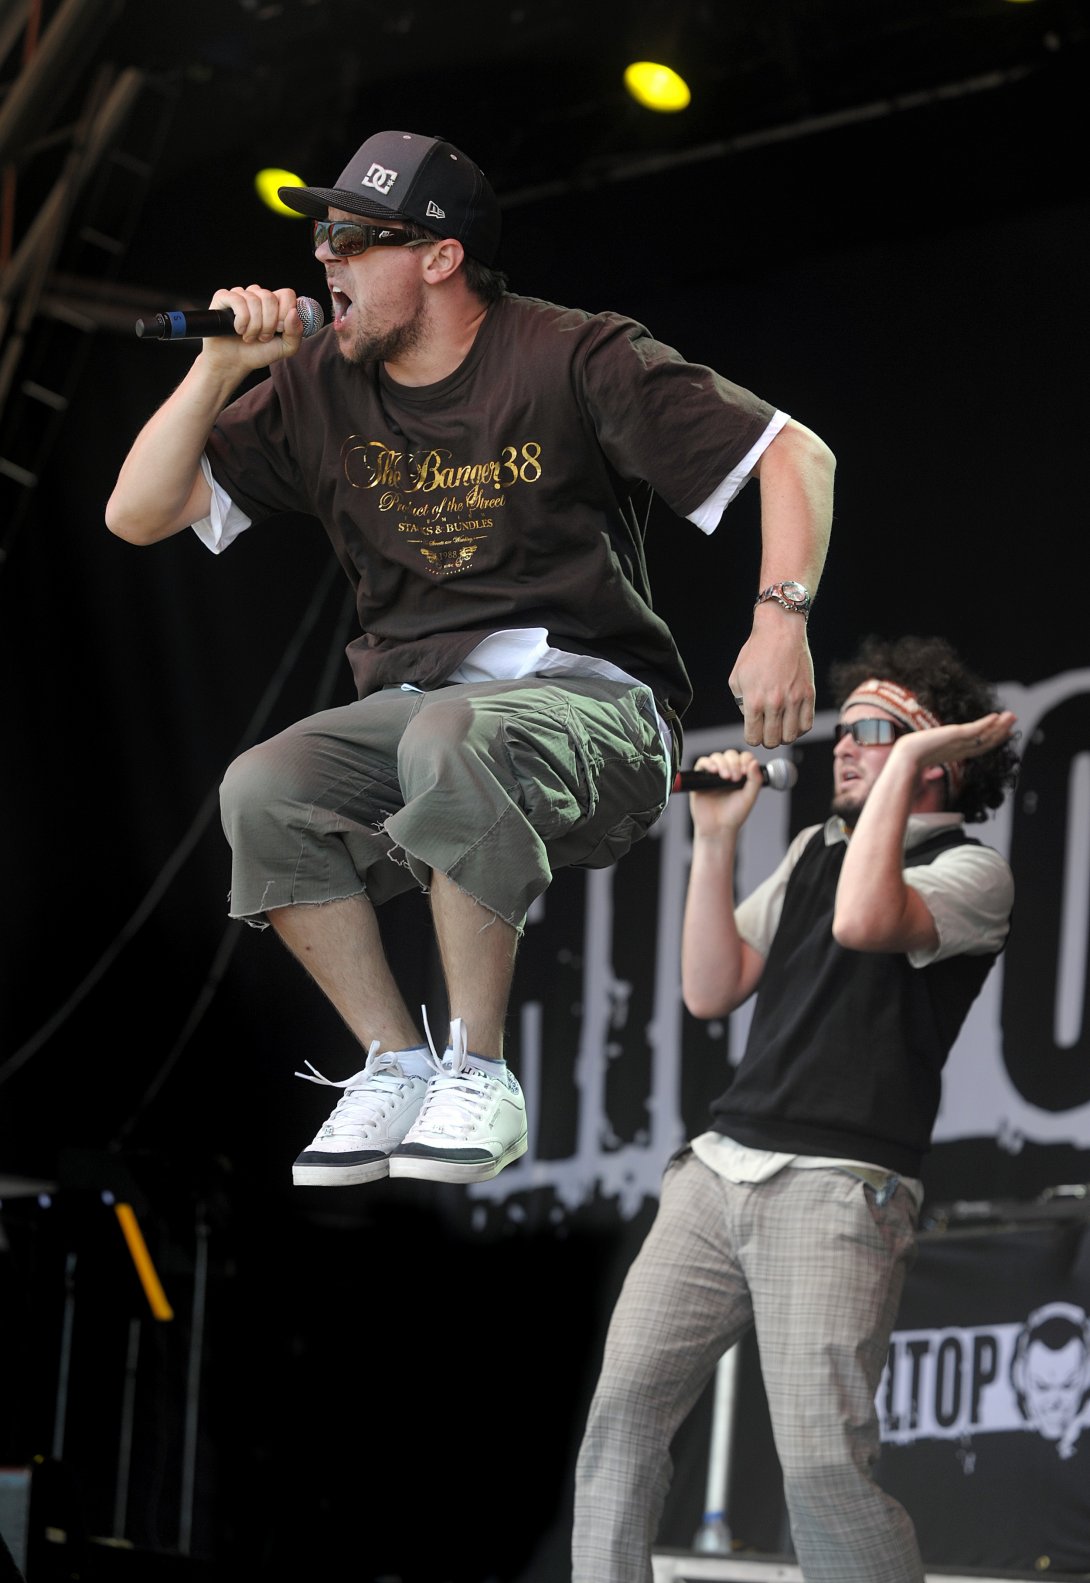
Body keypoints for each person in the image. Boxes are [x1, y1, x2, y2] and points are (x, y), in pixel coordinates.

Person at [104, 128, 835, 1189]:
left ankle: (479, 1070)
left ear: (440, 256)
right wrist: (220, 366)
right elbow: (136, 515)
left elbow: (793, 452)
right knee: (263, 786)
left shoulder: (568, 353)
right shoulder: (321, 383)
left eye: (355, 238)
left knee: (453, 732)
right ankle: (394, 1061)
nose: (326, 261)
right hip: (423, 705)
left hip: (597, 708)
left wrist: (779, 620)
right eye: (321, 237)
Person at [572, 633, 1021, 1583]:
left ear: (940, 759)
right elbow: (711, 986)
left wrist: (902, 763)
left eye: (875, 732)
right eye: (848, 729)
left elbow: (869, 920)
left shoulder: (974, 872)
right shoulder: (822, 848)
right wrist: (720, 838)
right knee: (623, 1416)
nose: (846, 746)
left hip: (837, 1191)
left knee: (823, 1463)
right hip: (717, 1170)